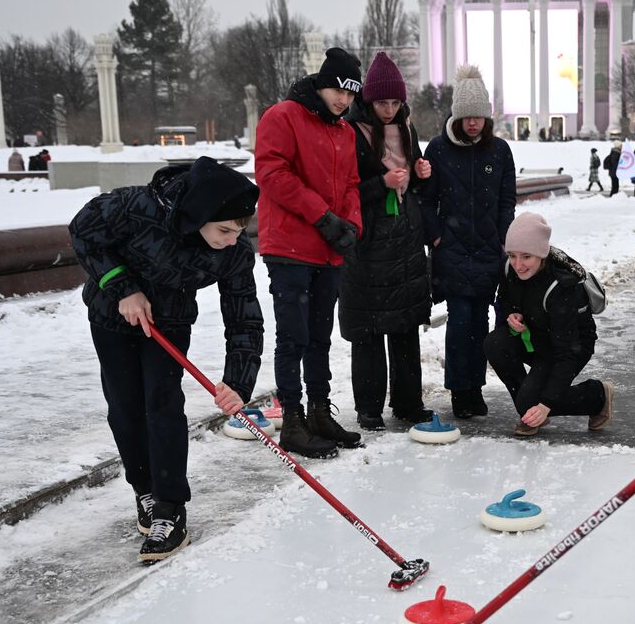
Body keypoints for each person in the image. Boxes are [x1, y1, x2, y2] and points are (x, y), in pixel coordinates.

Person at [68, 157, 263, 563]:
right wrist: (122, 288)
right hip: (112, 316)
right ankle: (146, 491)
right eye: (224, 229)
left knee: (162, 405)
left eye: (239, 230)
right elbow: (83, 232)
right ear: (198, 216)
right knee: (124, 409)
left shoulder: (234, 251)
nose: (232, 239)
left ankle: (170, 507)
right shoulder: (136, 207)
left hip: (169, 322)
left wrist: (238, 382)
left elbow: (243, 314)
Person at [255, 46, 366, 458]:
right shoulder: (282, 116)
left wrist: (352, 224)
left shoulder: (345, 131)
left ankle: (319, 410)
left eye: (352, 94)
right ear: (322, 83)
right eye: (339, 89)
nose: (344, 100)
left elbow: (352, 184)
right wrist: (322, 217)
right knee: (294, 337)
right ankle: (293, 420)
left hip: (329, 249)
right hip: (289, 247)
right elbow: (271, 172)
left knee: (320, 337)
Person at [340, 51, 436, 431]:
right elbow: (345, 191)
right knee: (367, 329)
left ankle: (409, 403)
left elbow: (412, 176)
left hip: (405, 241)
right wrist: (381, 183)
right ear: (368, 100)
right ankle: (368, 407)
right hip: (368, 244)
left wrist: (421, 171)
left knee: (405, 326)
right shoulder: (352, 134)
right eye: (382, 102)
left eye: (395, 102)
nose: (389, 109)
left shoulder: (408, 128)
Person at [418, 64, 516, 419]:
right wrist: (436, 234)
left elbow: (508, 200)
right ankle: (460, 391)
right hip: (454, 250)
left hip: (490, 249)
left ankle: (475, 388)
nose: (473, 123)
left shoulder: (500, 151)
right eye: (467, 117)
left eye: (479, 117)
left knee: (481, 324)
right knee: (460, 322)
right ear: (457, 116)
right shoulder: (439, 150)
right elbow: (426, 199)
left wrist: (505, 237)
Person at [485, 212, 613, 436]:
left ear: (541, 255)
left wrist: (545, 405)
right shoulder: (508, 269)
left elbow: (566, 354)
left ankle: (597, 396)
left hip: (570, 347)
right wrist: (511, 315)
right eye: (512, 255)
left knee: (534, 402)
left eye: (526, 256)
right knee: (495, 343)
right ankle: (529, 407)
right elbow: (505, 300)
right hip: (538, 337)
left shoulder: (562, 287)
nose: (518, 264)